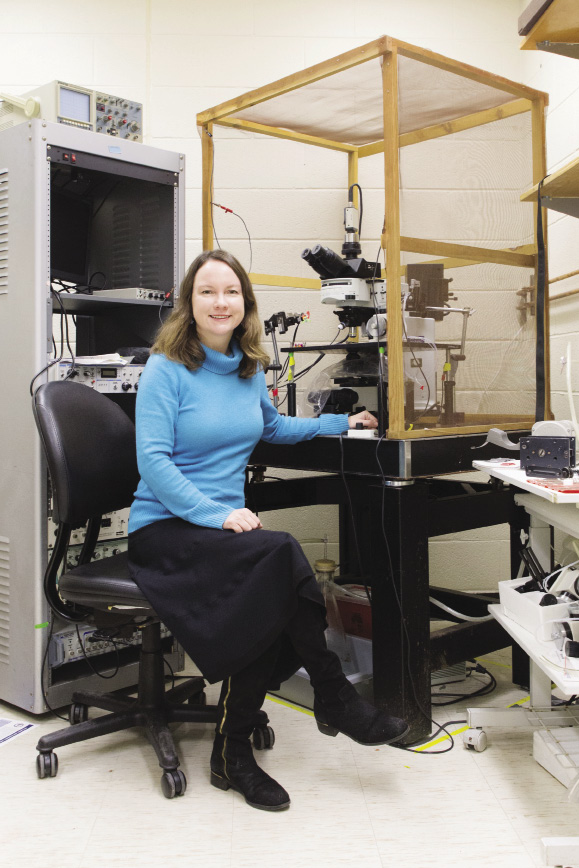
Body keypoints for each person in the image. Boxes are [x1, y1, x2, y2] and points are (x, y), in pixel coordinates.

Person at [127, 249, 408, 812]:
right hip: (166, 529)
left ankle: (234, 753)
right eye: (207, 291)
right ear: (190, 303)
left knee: (271, 585)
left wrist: (339, 422)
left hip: (225, 535)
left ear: (246, 304)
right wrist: (217, 514)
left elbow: (274, 426)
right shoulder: (166, 369)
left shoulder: (248, 368)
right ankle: (332, 697)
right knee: (279, 555)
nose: (220, 301)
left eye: (231, 291)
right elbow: (153, 463)